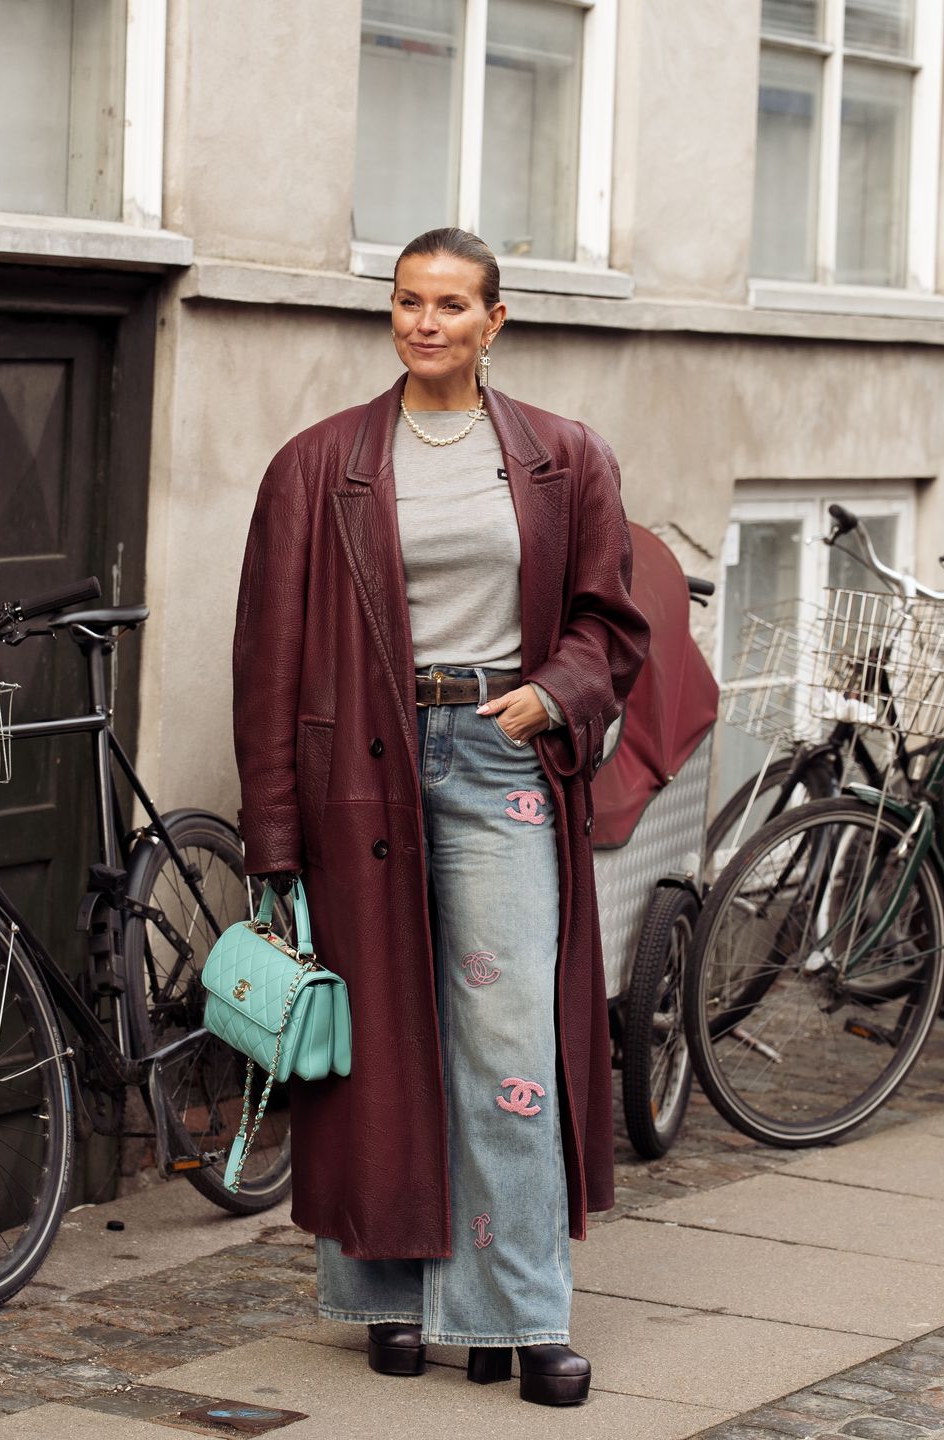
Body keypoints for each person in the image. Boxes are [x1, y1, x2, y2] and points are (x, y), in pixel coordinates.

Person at [232, 227, 649, 1407]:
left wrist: (554, 695)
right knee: (379, 1042)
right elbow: (266, 662)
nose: (427, 322)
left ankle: (520, 1311)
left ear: (494, 320)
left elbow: (610, 625)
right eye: (409, 302)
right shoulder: (316, 466)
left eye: (453, 304)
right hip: (357, 771)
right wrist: (272, 840)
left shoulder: (566, 457)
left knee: (510, 1045)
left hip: (498, 758)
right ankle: (391, 1297)